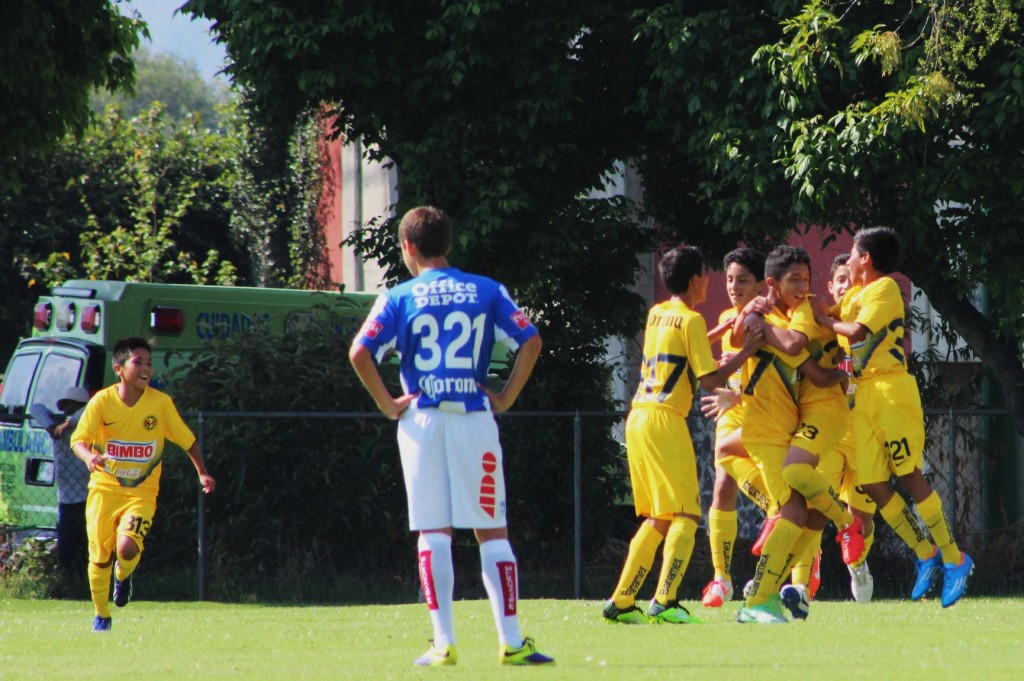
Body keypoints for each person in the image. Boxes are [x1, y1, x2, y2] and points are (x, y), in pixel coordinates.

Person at [349, 206, 553, 667]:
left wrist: (386, 404)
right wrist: (505, 396)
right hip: (474, 418)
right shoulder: (487, 289)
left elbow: (360, 351)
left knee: (433, 532)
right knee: (492, 532)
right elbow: (532, 340)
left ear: (408, 248)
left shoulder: (399, 295)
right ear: (449, 244)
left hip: (420, 420)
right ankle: (513, 641)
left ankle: (443, 644)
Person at [602, 244, 763, 625]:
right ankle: (665, 600)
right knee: (687, 514)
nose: (711, 282)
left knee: (659, 516)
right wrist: (747, 351)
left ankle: (623, 601)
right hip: (665, 421)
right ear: (695, 280)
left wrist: (716, 332)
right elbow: (709, 380)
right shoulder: (689, 320)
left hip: (638, 416)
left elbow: (680, 350)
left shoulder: (657, 314)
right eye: (707, 274)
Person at [813, 227, 973, 607]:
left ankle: (954, 558)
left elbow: (853, 332)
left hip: (890, 390)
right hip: (863, 396)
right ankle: (925, 552)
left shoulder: (883, 289)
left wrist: (825, 321)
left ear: (865, 258)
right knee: (870, 483)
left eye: (851, 254)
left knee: (909, 475)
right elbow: (824, 315)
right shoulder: (853, 294)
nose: (848, 261)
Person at [733, 245, 863, 624]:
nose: (803, 287)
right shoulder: (757, 315)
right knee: (792, 507)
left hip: (789, 427)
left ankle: (769, 593)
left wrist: (845, 376)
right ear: (772, 283)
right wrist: (748, 316)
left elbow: (806, 360)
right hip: (765, 431)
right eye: (794, 280)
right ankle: (757, 599)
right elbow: (744, 338)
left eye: (806, 279)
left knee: (810, 515)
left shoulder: (793, 314)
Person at [71, 337, 216, 632]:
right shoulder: (102, 401)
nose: (146, 368)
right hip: (103, 490)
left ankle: (123, 576)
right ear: (119, 369)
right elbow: (78, 440)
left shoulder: (160, 404)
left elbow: (187, 440)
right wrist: (89, 457)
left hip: (142, 493)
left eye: (149, 362)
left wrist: (202, 472)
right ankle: (102, 615)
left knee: (125, 547)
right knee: (99, 557)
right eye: (138, 362)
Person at [700, 248, 773, 609]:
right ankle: (721, 579)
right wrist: (728, 390)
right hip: (734, 406)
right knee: (722, 484)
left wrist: (736, 394)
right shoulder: (730, 316)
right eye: (729, 279)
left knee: (779, 484)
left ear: (761, 283)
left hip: (762, 409)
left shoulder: (768, 317)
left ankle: (796, 572)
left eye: (742, 279)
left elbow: (769, 376)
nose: (733, 286)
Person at [826, 254, 878, 602]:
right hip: (828, 433)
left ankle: (858, 564)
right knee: (813, 505)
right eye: (840, 279)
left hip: (864, 433)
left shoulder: (869, 323)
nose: (846, 285)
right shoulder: (817, 325)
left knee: (864, 521)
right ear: (831, 287)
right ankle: (799, 581)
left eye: (851, 278)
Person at [29, 386, 91, 583]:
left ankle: (86, 581)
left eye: (70, 405)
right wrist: (51, 426)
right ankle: (69, 582)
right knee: (67, 546)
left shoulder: (89, 423)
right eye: (64, 406)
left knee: (88, 543)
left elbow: (89, 411)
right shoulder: (57, 428)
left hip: (88, 495)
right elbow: (35, 408)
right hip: (67, 498)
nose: (66, 410)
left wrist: (68, 423)